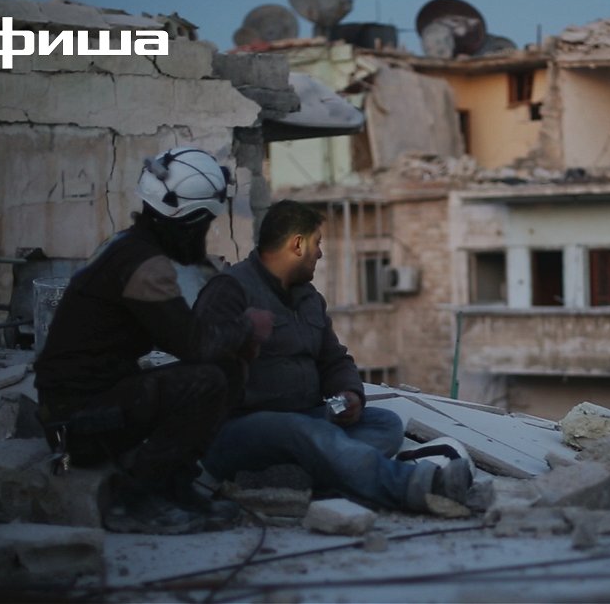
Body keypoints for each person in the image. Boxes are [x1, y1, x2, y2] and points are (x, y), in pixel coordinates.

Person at [35, 147, 273, 534]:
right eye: (204, 224)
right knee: (207, 380)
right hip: (77, 423)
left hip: (81, 408)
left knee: (223, 370)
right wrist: (247, 327)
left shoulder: (127, 247)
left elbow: (183, 333)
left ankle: (174, 485)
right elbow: (194, 345)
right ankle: (136, 500)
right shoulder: (145, 266)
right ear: (189, 222)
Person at [195, 200, 473, 514]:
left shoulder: (309, 298)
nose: (320, 254)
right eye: (317, 243)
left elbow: (334, 360)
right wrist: (245, 335)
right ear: (297, 244)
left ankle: (304, 478)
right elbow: (202, 358)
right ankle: (418, 487)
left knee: (385, 424)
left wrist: (349, 394)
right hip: (239, 428)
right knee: (306, 431)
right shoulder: (230, 289)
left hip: (306, 419)